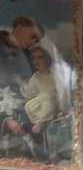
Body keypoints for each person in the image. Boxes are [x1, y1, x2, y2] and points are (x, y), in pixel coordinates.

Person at [0, 14, 44, 151]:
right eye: (32, 36)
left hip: (25, 115)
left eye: (37, 40)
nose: (33, 42)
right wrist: (5, 119)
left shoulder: (28, 56)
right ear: (19, 28)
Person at [19, 45, 65, 138]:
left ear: (47, 60)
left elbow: (62, 93)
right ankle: (41, 122)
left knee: (49, 104)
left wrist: (62, 107)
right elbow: (31, 93)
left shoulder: (54, 77)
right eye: (33, 58)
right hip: (42, 101)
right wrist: (23, 85)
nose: (36, 61)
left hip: (53, 102)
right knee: (29, 105)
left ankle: (39, 123)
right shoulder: (36, 76)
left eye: (40, 57)